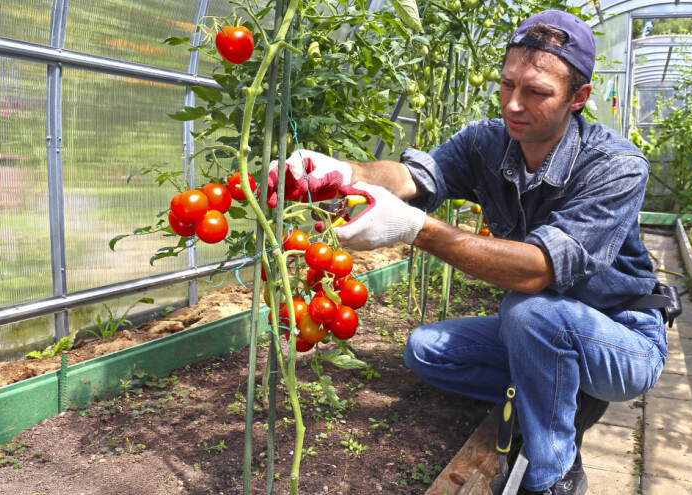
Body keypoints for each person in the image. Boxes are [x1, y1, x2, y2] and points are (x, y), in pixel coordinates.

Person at [273, 10, 667, 494]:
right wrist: (344, 172)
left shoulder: (617, 166)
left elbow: (538, 271)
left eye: (537, 93)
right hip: (542, 333)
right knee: (426, 351)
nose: (513, 105)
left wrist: (418, 229)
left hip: (622, 338)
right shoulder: (487, 142)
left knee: (529, 310)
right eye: (506, 85)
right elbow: (416, 177)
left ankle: (555, 475)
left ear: (578, 98)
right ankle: (559, 392)